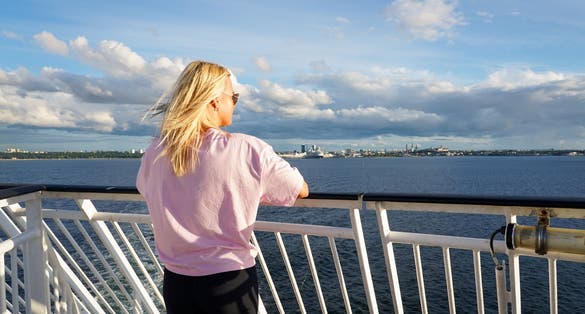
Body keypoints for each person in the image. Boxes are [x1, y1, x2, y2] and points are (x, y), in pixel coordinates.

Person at [136, 60, 309, 313]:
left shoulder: (156, 151)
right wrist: (248, 190)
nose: (234, 103)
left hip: (177, 283)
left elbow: (145, 188)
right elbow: (299, 189)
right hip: (227, 281)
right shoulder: (246, 149)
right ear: (215, 101)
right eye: (233, 96)